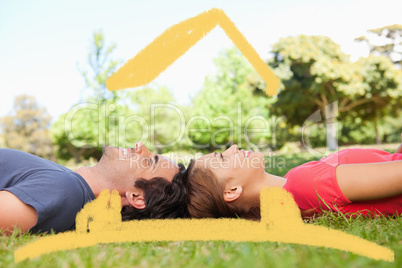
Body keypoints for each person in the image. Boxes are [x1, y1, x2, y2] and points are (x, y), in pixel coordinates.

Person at [186, 138, 402, 220]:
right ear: (231, 191)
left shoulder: (295, 182)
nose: (233, 148)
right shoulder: (303, 184)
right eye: (223, 158)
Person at [0, 142, 186, 234]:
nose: (140, 146)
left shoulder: (65, 191)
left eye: (148, 161)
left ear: (137, 197)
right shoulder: (69, 182)